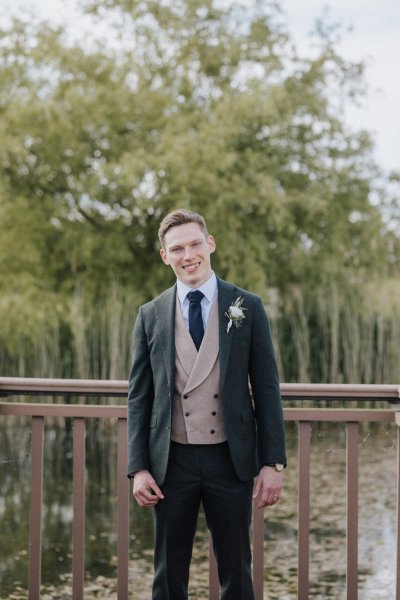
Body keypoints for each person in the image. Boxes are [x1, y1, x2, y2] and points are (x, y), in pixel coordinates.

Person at [127, 208, 286, 600]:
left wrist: (273, 463)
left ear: (210, 244)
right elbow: (140, 396)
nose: (188, 255)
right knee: (168, 575)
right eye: (177, 248)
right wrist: (139, 468)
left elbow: (266, 389)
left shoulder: (247, 306)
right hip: (172, 461)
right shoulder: (150, 315)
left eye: (195, 243)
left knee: (237, 572)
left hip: (230, 460)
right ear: (165, 256)